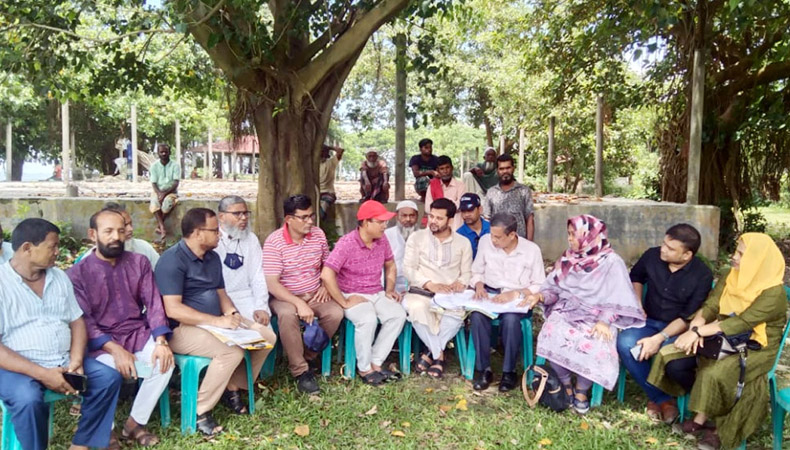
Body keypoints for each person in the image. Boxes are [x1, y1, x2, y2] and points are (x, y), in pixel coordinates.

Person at [648, 233, 787, 450]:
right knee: (670, 354)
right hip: (720, 335)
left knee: (716, 373)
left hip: (757, 346)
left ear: (757, 260)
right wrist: (695, 328)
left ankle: (717, 428)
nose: (734, 256)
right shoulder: (731, 275)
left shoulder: (773, 293)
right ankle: (702, 413)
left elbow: (742, 322)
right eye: (736, 251)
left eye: (741, 254)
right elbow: (711, 305)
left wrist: (698, 333)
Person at [0, 218, 122, 450]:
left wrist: (76, 360)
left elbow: (76, 320)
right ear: (27, 248)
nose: (57, 252)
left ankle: (81, 444)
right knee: (28, 399)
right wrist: (43, 374)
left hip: (62, 360)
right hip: (15, 367)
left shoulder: (59, 278)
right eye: (52, 246)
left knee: (108, 379)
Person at [154, 208, 270, 435]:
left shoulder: (213, 257)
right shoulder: (172, 261)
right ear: (197, 233)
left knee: (266, 336)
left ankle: (232, 388)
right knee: (231, 352)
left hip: (215, 323)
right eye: (214, 230)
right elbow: (173, 309)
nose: (220, 234)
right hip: (180, 330)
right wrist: (217, 321)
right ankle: (199, 412)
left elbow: (221, 294)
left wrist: (232, 313)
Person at [67, 210, 174, 447]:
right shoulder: (77, 274)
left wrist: (160, 341)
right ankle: (107, 430)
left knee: (165, 363)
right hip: (100, 344)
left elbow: (154, 303)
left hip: (137, 333)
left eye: (120, 230)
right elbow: (84, 321)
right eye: (108, 231)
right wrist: (114, 349)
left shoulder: (139, 262)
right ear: (92, 234)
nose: (116, 236)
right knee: (107, 375)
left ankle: (134, 424)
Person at [524, 215, 645, 415]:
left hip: (600, 317)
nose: (570, 239)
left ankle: (581, 390)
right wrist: (540, 296)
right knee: (552, 330)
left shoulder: (612, 262)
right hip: (568, 310)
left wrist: (605, 321)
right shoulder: (568, 258)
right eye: (569, 234)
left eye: (574, 235)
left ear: (590, 236)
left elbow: (619, 297)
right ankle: (566, 385)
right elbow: (554, 290)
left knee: (594, 340)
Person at [616, 224, 713, 424]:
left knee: (669, 356)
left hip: (679, 329)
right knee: (626, 343)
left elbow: (688, 318)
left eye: (671, 248)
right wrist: (638, 304)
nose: (663, 249)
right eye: (664, 244)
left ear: (686, 255)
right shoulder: (652, 256)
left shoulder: (702, 275)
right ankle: (662, 399)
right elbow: (636, 277)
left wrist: (658, 339)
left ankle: (663, 398)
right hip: (648, 320)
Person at [263, 195, 344, 395]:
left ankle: (307, 356)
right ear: (289, 219)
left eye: (311, 216)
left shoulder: (318, 235)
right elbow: (272, 283)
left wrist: (326, 285)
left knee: (335, 313)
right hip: (284, 295)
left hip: (315, 291)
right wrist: (298, 303)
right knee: (287, 315)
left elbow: (328, 264)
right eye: (304, 217)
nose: (310, 221)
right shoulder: (274, 242)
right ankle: (300, 372)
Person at [321, 200, 407, 386]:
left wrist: (389, 289)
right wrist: (343, 302)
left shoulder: (382, 240)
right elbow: (327, 275)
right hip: (350, 294)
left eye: (385, 221)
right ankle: (364, 368)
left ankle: (376, 362)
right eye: (381, 221)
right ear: (366, 222)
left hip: (376, 292)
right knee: (367, 318)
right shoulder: (347, 243)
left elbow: (390, 265)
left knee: (398, 314)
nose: (385, 226)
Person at [469, 213, 545, 391]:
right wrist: (479, 285)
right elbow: (477, 271)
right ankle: (483, 369)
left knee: (511, 321)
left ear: (512, 235)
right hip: (491, 294)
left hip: (517, 298)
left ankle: (509, 371)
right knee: (477, 317)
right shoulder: (485, 242)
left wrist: (515, 293)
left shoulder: (531, 250)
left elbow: (540, 283)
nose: (493, 240)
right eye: (492, 235)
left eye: (498, 237)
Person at [403, 198, 473, 379]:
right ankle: (439, 356)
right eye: (431, 216)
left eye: (439, 218)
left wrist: (460, 283)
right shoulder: (416, 238)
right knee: (417, 309)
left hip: (450, 294)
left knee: (456, 313)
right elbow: (408, 268)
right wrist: (429, 284)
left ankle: (429, 352)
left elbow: (467, 273)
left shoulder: (463, 242)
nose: (433, 221)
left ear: (450, 220)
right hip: (421, 291)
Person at [215, 195, 277, 368]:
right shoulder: (213, 240)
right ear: (221, 216)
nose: (243, 218)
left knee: (264, 336)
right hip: (221, 301)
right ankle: (234, 381)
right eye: (237, 214)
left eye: (246, 213)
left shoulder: (251, 239)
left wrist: (261, 306)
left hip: (247, 298)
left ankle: (246, 379)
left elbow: (258, 275)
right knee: (233, 342)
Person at [483, 154, 535, 240]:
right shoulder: (491, 192)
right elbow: (487, 220)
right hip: (497, 244)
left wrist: (529, 244)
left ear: (513, 169)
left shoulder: (524, 191)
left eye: (508, 168)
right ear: (497, 171)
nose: (505, 171)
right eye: (501, 169)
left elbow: (530, 219)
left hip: (520, 243)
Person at [101, 202, 160, 267]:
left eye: (130, 224)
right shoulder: (92, 260)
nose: (130, 229)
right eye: (125, 225)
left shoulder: (144, 248)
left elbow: (160, 272)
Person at [384, 200, 420, 294]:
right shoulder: (387, 235)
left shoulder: (423, 236)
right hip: (392, 281)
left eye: (412, 216)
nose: (408, 219)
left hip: (417, 282)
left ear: (417, 217)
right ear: (397, 216)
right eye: (404, 215)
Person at [149, 144, 180, 241]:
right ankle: (162, 227)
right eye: (161, 152)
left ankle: (159, 225)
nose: (163, 154)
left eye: (166, 152)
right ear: (158, 153)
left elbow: (176, 182)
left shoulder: (175, 165)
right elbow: (153, 183)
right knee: (154, 202)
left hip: (171, 192)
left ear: (169, 152)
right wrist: (159, 193)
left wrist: (164, 194)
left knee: (167, 203)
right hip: (157, 191)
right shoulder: (154, 166)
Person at [424, 155, 464, 230]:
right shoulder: (433, 186)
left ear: (452, 168)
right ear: (437, 170)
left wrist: (439, 206)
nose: (445, 171)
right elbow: (427, 208)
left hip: (455, 223)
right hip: (437, 221)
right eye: (442, 169)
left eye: (447, 168)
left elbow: (460, 204)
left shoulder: (460, 185)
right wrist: (450, 204)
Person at [455, 193, 490, 259]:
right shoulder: (458, 235)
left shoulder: (493, 229)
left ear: (480, 209)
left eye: (470, 210)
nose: (466, 215)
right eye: (463, 211)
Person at [319, 144, 345, 220]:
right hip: (317, 193)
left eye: (323, 152)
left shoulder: (331, 163)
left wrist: (329, 147)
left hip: (327, 193)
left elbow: (340, 151)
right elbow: (340, 151)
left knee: (325, 203)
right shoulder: (313, 165)